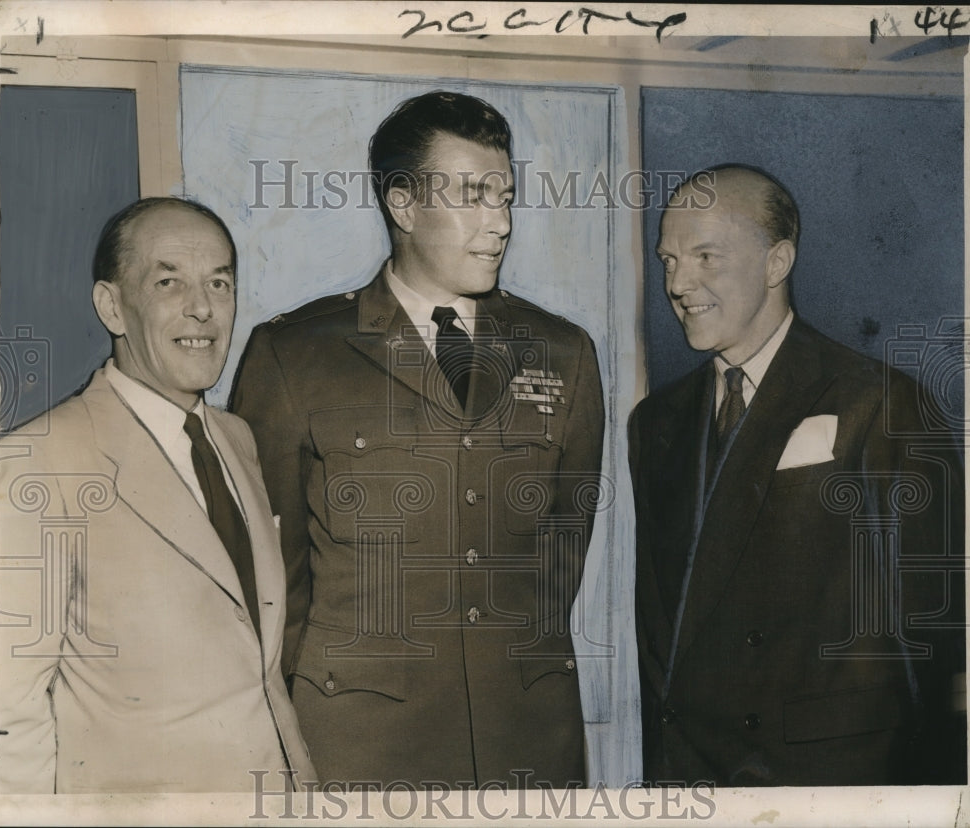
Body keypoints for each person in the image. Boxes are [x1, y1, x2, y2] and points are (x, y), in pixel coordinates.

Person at [231, 90, 605, 789]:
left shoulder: (564, 352)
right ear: (403, 204)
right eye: (472, 195)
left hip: (524, 743)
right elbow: (273, 585)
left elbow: (563, 554)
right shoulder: (295, 355)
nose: (500, 223)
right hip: (364, 751)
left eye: (505, 196)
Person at [628, 164, 966, 786]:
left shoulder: (881, 403)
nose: (678, 283)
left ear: (777, 262)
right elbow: (660, 634)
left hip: (830, 783)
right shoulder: (655, 423)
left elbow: (936, 638)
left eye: (705, 256)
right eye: (669, 260)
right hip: (693, 782)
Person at [0, 197, 317, 793]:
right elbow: (3, 714)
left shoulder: (236, 439)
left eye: (219, 283)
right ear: (112, 306)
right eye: (168, 282)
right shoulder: (35, 462)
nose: (202, 308)